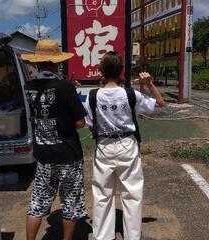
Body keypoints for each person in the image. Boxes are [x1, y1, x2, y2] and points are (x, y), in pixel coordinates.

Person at [85, 51, 165, 240]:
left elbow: (90, 123)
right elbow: (160, 103)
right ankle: (132, 236)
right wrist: (149, 84)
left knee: (102, 195)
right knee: (132, 195)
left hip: (104, 145)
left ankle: (103, 236)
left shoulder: (93, 95)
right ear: (121, 70)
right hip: (127, 145)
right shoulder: (131, 93)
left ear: (101, 71)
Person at [21, 39, 87, 240]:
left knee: (37, 204)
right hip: (68, 154)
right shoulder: (66, 87)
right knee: (70, 203)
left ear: (37, 63)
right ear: (57, 62)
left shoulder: (28, 87)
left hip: (43, 155)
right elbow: (80, 123)